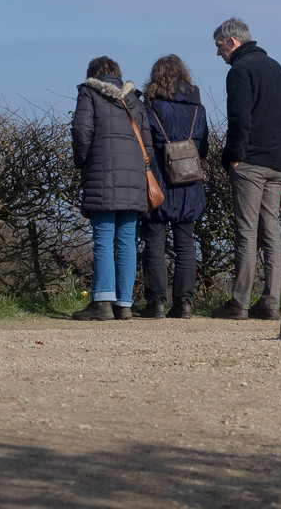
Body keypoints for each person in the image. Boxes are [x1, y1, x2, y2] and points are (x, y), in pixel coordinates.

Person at [211, 18, 281, 321]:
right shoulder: (278, 69)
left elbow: (239, 119)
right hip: (277, 164)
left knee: (246, 233)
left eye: (219, 46)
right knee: (271, 232)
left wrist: (233, 157)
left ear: (232, 42)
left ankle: (239, 303)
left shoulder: (240, 71)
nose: (218, 53)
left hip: (250, 164)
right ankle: (271, 302)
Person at [70, 56, 152, 321]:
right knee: (127, 240)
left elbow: (81, 130)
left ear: (92, 74)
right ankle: (124, 304)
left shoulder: (89, 93)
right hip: (134, 180)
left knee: (104, 240)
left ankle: (103, 302)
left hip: (101, 175)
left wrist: (82, 161)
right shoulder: (134, 99)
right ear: (117, 74)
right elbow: (147, 144)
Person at [140, 55, 210, 319]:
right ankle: (184, 304)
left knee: (154, 243)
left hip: (158, 182)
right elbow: (202, 148)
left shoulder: (150, 106)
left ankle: (156, 303)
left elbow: (145, 146)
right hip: (189, 182)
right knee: (186, 244)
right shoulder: (197, 107)